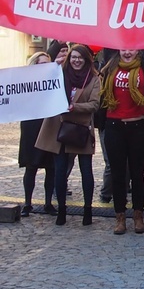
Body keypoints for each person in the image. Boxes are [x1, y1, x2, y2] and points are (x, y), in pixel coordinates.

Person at [100, 49, 144, 235]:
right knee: (118, 174)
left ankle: (138, 214)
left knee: (137, 173)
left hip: (138, 125)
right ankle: (120, 215)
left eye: (131, 48)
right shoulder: (110, 66)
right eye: (124, 48)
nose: (127, 52)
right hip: (114, 125)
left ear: (138, 50)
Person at [36, 45, 100, 226]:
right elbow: (42, 82)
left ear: (86, 59)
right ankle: (61, 210)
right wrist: (52, 66)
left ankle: (87, 211)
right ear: (68, 59)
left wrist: (75, 107)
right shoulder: (59, 73)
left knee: (85, 170)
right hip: (60, 126)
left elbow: (95, 104)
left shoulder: (94, 78)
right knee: (60, 170)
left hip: (80, 128)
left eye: (80, 57)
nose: (76, 60)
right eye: (73, 57)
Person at [18, 52, 56, 217]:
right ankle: (28, 203)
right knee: (31, 166)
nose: (45, 67)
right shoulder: (26, 82)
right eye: (42, 63)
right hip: (31, 126)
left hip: (49, 125)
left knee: (51, 166)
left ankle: (48, 203)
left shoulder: (53, 81)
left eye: (48, 63)